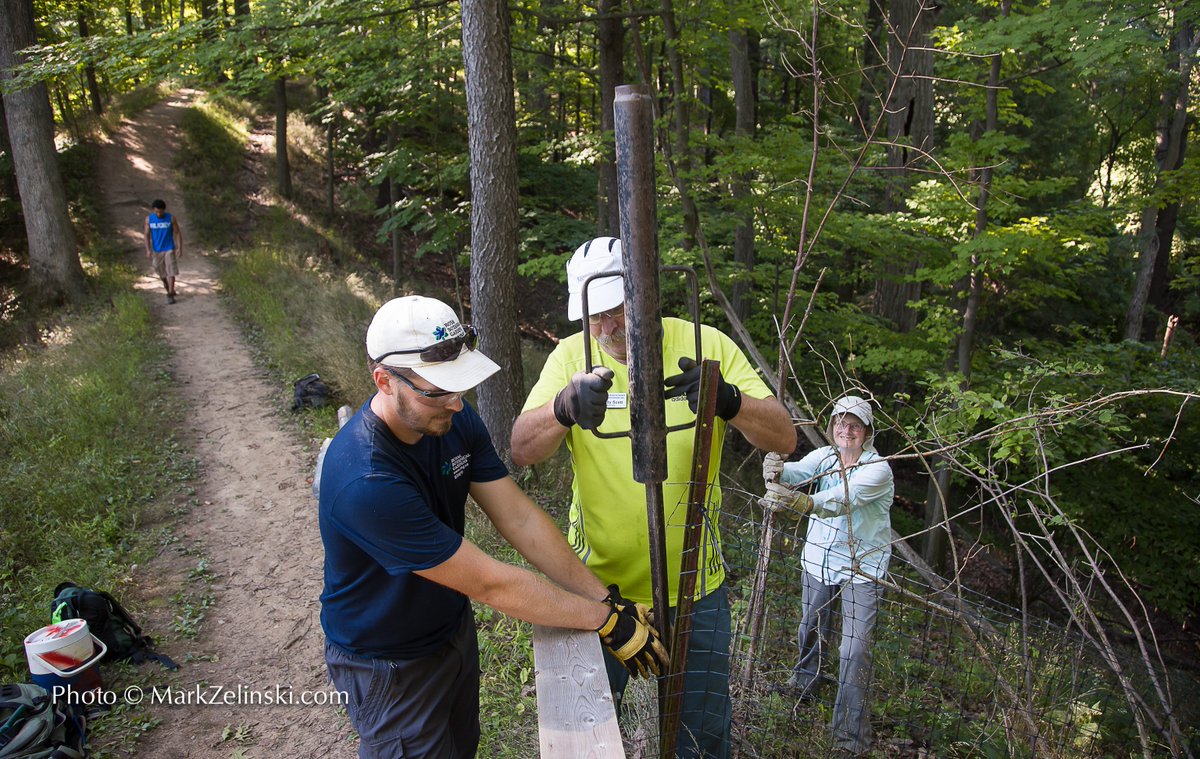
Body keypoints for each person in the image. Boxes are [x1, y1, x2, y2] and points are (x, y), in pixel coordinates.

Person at [319, 295, 669, 759]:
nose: (458, 403)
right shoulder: (365, 479)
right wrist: (608, 623)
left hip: (449, 629)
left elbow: (518, 518)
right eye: (439, 390)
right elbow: (490, 583)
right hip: (388, 662)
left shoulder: (451, 422)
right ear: (384, 380)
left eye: (459, 386)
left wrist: (603, 597)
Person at [511, 237, 796, 759]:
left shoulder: (703, 343)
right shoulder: (573, 354)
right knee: (585, 736)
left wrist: (727, 401)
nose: (607, 328)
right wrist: (562, 407)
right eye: (593, 317)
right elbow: (521, 449)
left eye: (616, 311)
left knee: (700, 738)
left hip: (695, 587)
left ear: (645, 295)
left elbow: (783, 436)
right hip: (596, 587)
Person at [760, 394, 894, 757]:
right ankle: (805, 685)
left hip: (862, 569)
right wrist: (775, 469)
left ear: (867, 432)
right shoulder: (825, 456)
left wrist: (805, 503)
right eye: (840, 422)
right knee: (811, 627)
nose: (845, 430)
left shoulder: (878, 469)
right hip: (819, 559)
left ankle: (850, 738)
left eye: (854, 425)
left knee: (854, 649)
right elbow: (798, 472)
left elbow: (842, 498)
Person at [143, 199, 182, 303]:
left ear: (164, 210)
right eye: (156, 211)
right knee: (158, 269)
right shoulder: (149, 220)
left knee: (171, 271)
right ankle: (166, 282)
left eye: (160, 211)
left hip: (169, 248)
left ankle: (170, 294)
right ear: (153, 210)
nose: (158, 214)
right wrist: (147, 249)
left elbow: (177, 233)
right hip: (157, 250)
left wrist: (179, 247)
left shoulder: (171, 218)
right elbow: (146, 235)